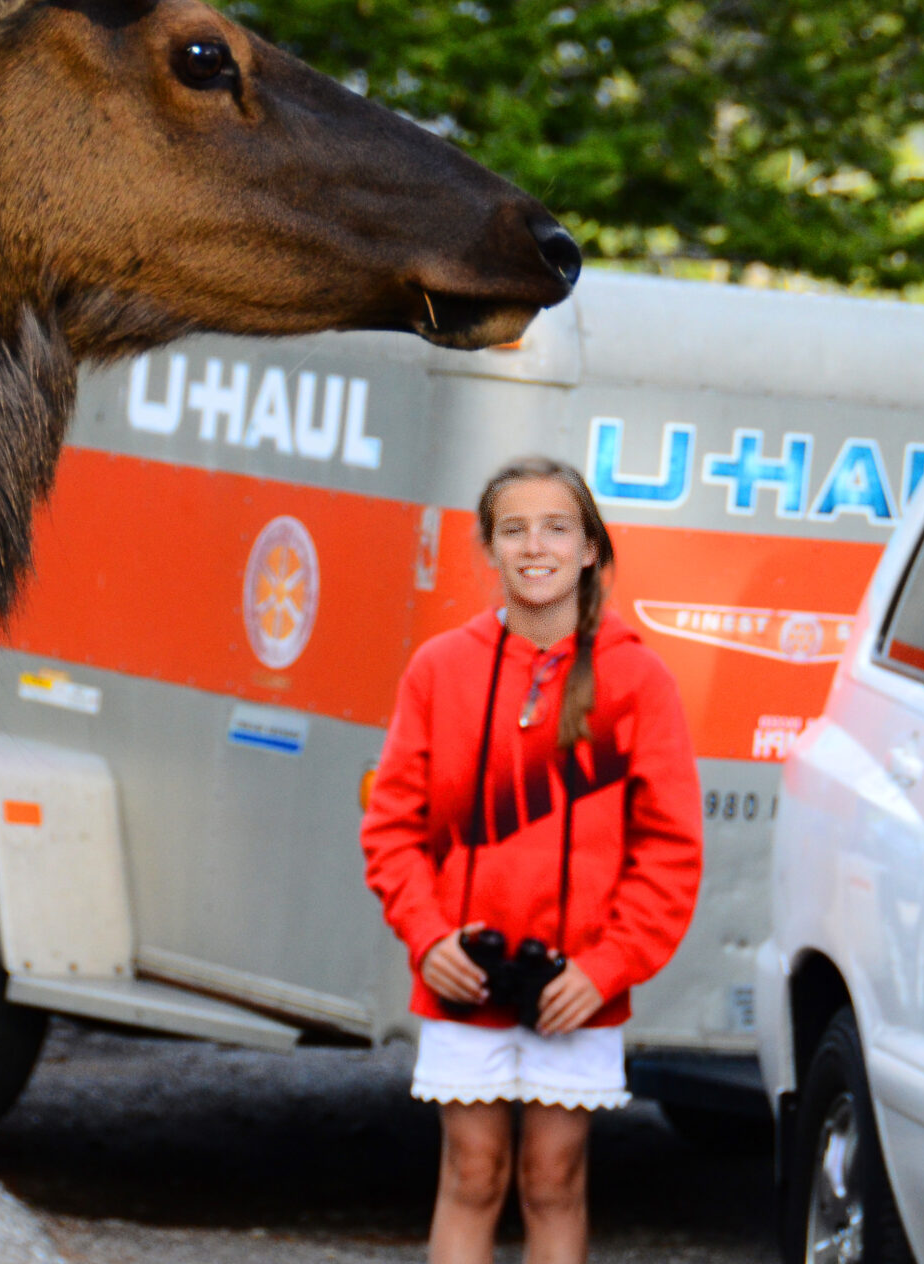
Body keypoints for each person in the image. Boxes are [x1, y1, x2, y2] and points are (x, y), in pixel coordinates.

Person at [361, 457, 704, 1264]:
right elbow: (392, 828)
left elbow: (671, 850)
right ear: (488, 547)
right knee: (472, 1175)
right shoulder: (439, 669)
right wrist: (428, 937)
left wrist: (609, 966)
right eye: (513, 530)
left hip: (577, 986)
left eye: (556, 528)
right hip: (462, 975)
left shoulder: (639, 680)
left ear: (590, 547)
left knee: (554, 1180)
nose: (534, 547)